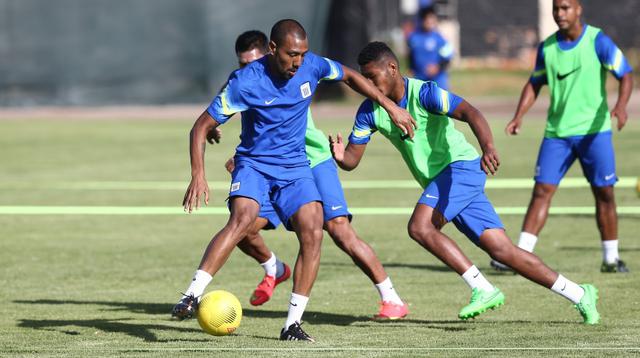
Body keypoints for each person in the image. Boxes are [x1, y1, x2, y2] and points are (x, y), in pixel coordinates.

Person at [172, 20, 416, 342]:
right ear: (273, 49)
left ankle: (292, 324)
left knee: (314, 228)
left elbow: (351, 76)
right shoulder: (246, 81)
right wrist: (198, 174)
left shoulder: (312, 65)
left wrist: (389, 107)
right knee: (243, 219)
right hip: (255, 164)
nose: (298, 62)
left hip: (296, 166)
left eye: (302, 54)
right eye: (291, 55)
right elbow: (200, 126)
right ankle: (192, 294)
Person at [330, 41, 600, 325]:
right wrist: (339, 156)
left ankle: (482, 287)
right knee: (503, 251)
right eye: (363, 79)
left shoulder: (424, 94)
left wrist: (489, 147)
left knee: (420, 227)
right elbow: (352, 159)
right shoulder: (368, 111)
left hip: (461, 169)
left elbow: (471, 112)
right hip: (443, 183)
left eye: (372, 77)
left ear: (392, 68)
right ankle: (580, 293)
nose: (367, 84)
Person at [491, 0, 633, 273]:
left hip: (595, 133)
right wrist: (519, 115)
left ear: (579, 9)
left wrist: (621, 106)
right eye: (556, 8)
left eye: (565, 7)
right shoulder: (547, 47)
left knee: (604, 193)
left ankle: (611, 259)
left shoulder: (597, 40)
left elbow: (625, 75)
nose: (560, 13)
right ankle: (519, 256)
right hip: (557, 134)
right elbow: (535, 83)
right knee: (541, 191)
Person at [407, 6, 453, 89]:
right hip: (419, 81)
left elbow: (447, 58)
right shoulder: (413, 37)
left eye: (432, 18)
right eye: (427, 18)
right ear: (422, 20)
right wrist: (411, 68)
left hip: (437, 82)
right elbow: (411, 55)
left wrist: (437, 67)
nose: (429, 21)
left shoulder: (439, 38)